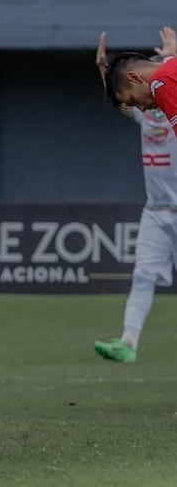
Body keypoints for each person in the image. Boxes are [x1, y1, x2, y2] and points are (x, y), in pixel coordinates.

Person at [94, 29, 177, 362]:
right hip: (156, 209)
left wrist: (171, 55)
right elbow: (123, 94)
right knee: (143, 274)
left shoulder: (163, 89)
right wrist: (104, 69)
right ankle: (128, 341)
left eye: (132, 97)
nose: (133, 105)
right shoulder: (147, 107)